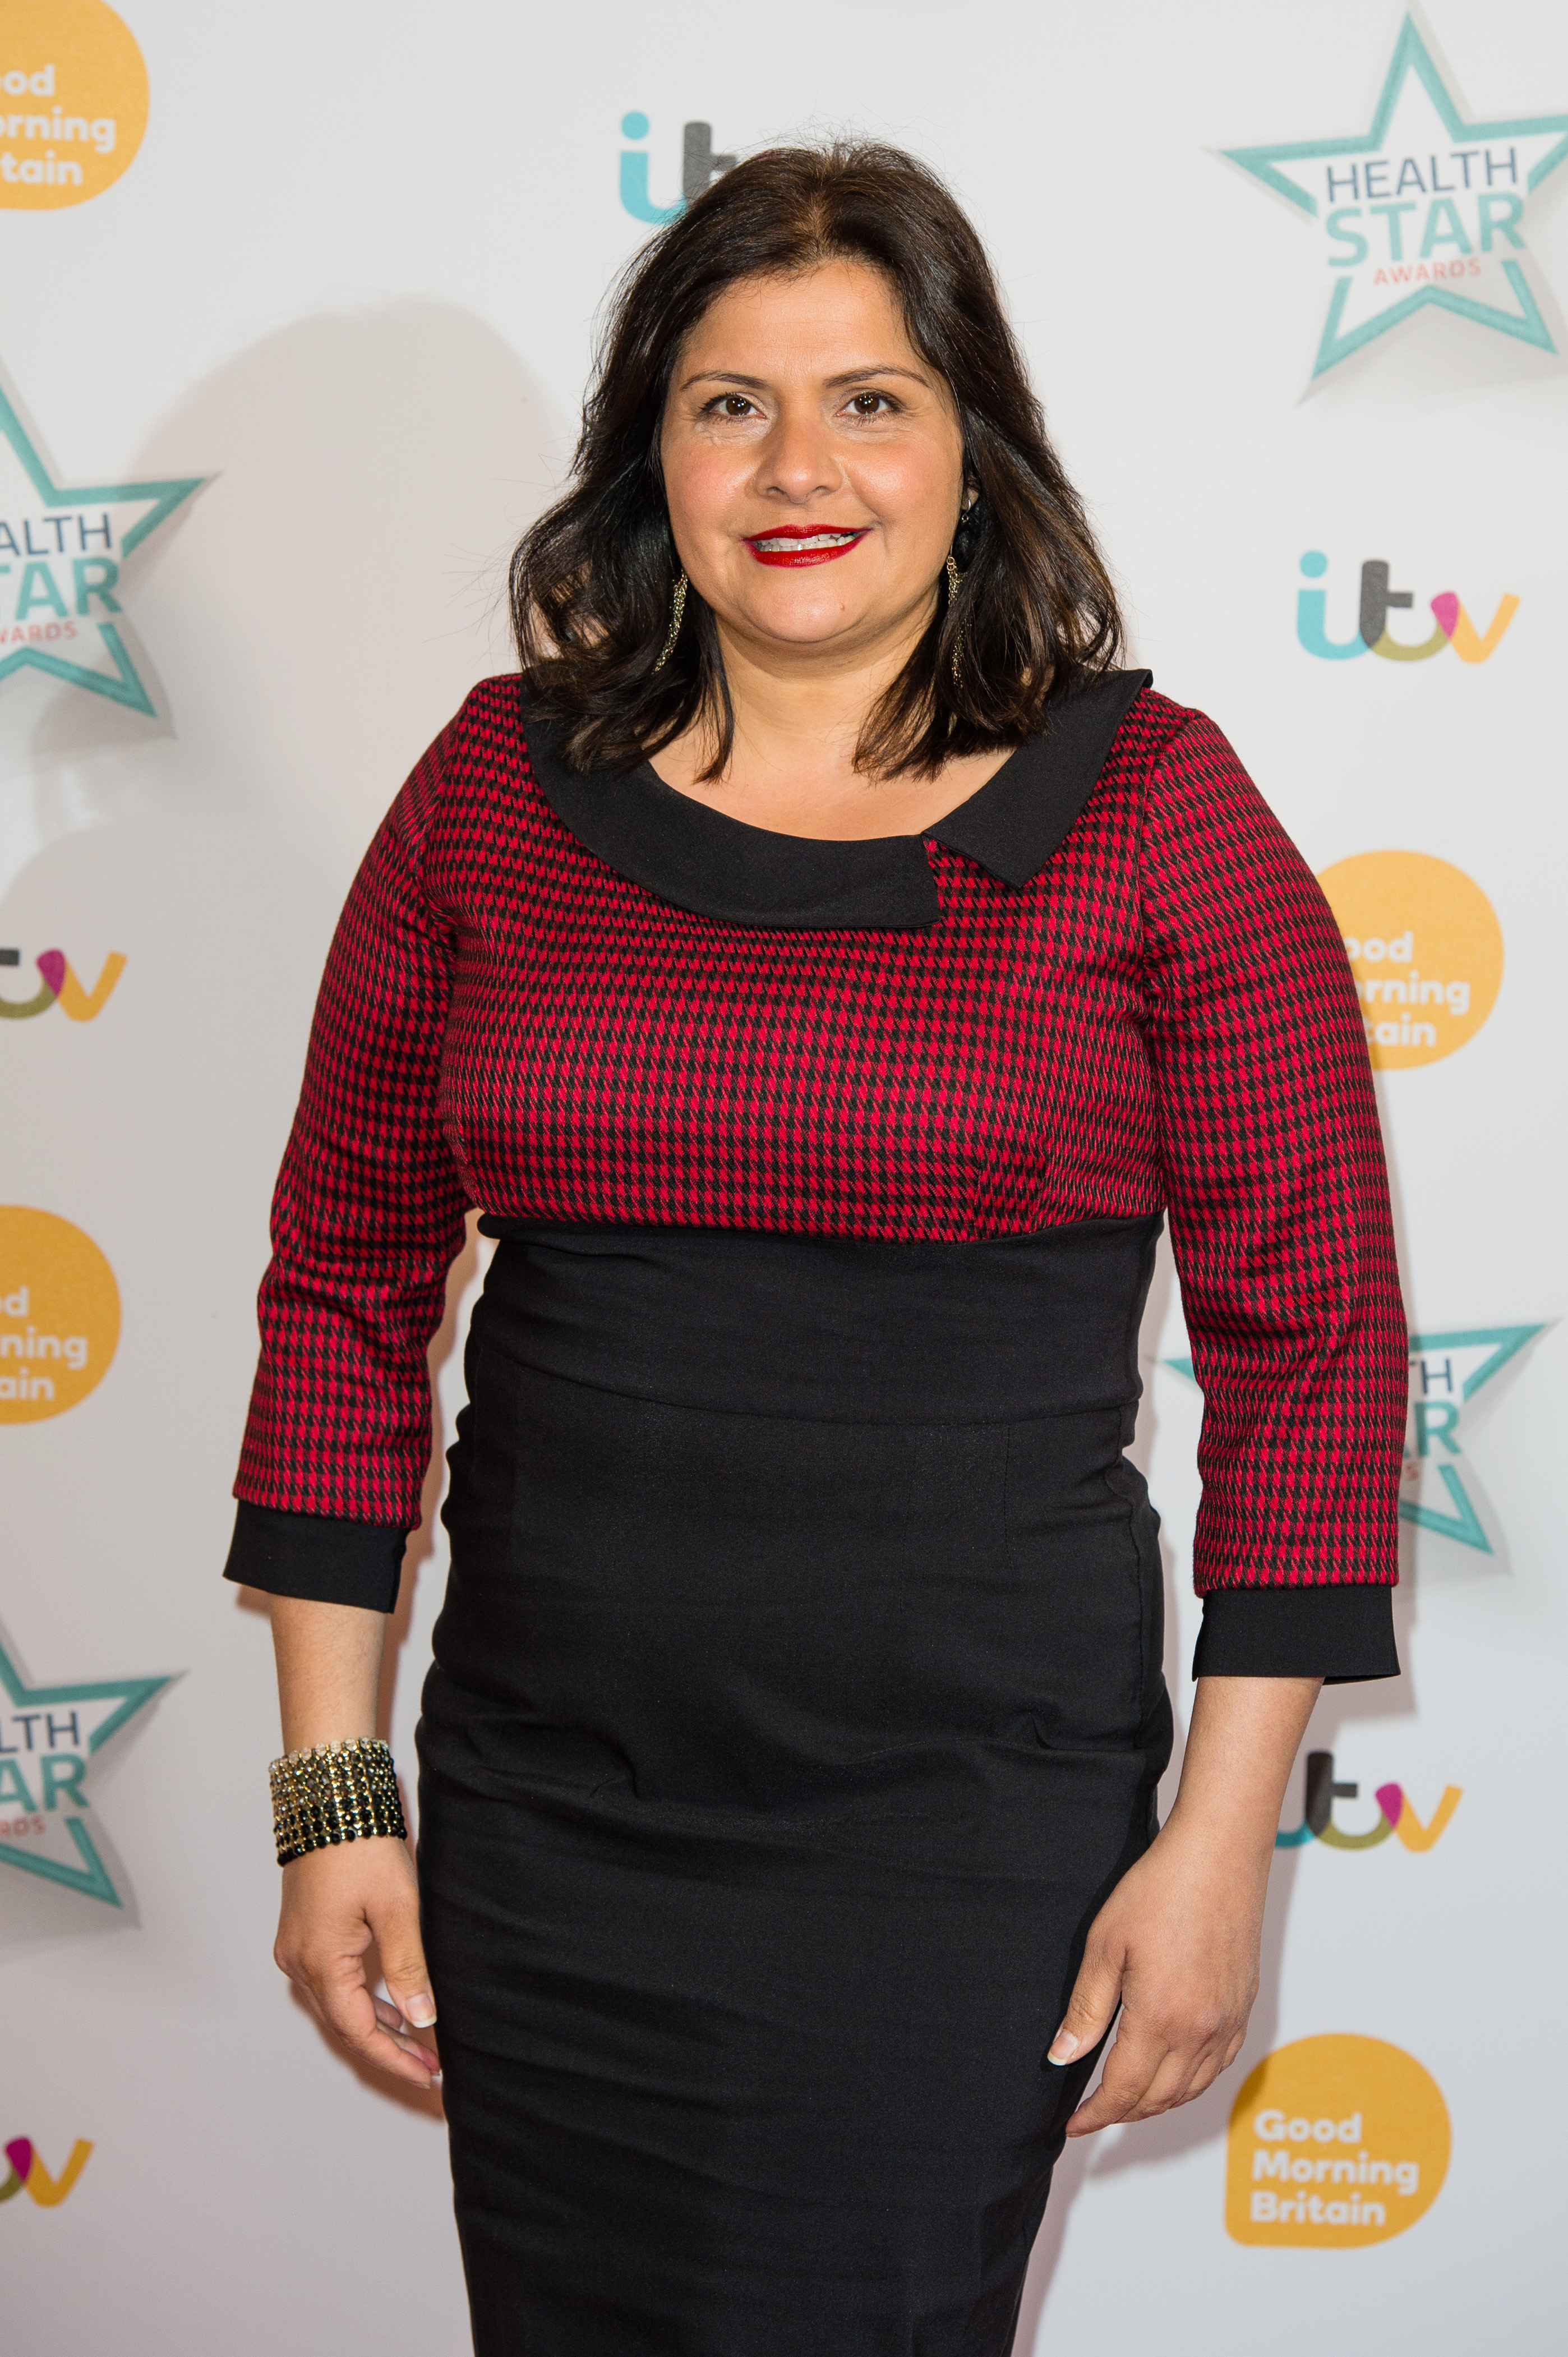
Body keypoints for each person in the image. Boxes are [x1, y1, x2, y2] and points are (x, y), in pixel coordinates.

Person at [226, 141, 1405, 2356]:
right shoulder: (491, 794)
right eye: (728, 402)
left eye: (870, 399)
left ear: (978, 451)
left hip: (959, 1838)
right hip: (546, 1814)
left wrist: (1220, 1840)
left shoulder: (1153, 809)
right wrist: (333, 1793)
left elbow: (1314, 1348)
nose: (800, 467)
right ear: (643, 456)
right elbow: (344, 1297)